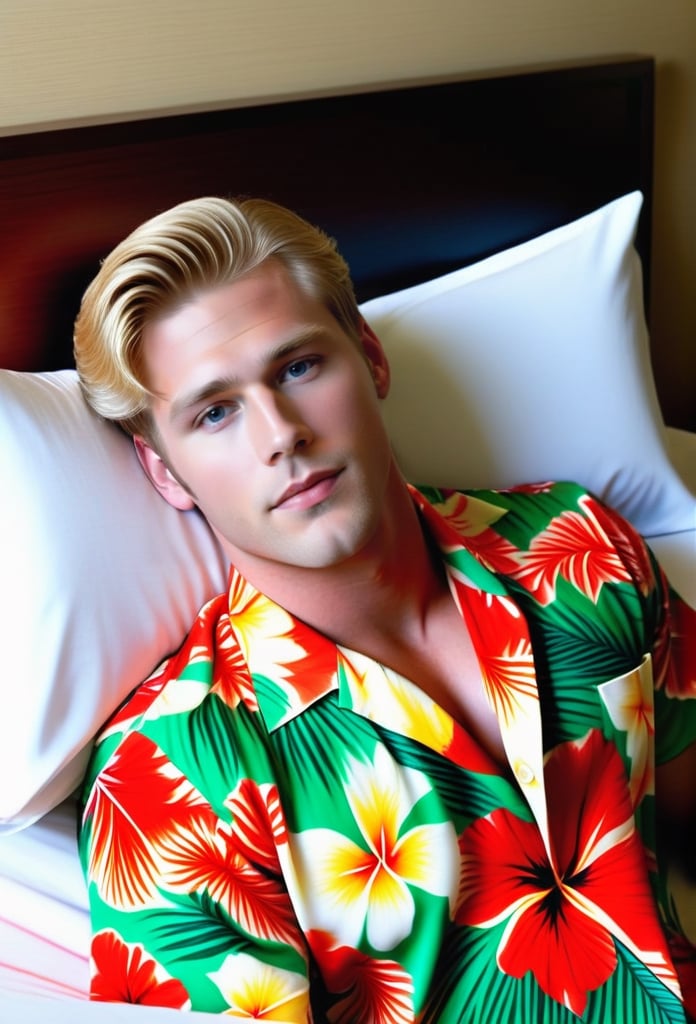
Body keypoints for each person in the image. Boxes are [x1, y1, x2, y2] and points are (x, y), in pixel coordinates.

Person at [74, 195, 696, 1023]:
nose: (281, 433)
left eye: (297, 367)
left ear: (370, 358)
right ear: (165, 473)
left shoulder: (580, 544)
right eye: (214, 412)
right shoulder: (168, 781)